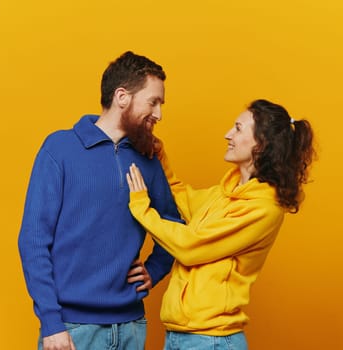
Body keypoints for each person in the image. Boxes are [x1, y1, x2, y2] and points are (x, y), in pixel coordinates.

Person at [18, 51, 182, 350]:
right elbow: (34, 240)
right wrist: (52, 323)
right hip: (71, 328)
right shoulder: (60, 148)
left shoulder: (148, 158)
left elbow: (174, 225)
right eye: (153, 102)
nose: (159, 114)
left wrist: (154, 270)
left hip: (131, 328)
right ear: (122, 96)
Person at [126, 99, 316, 349]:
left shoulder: (262, 208)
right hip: (182, 336)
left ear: (262, 144)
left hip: (211, 341)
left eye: (238, 128)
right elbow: (180, 196)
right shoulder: (225, 194)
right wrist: (160, 156)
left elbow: (190, 248)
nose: (228, 135)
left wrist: (142, 209)